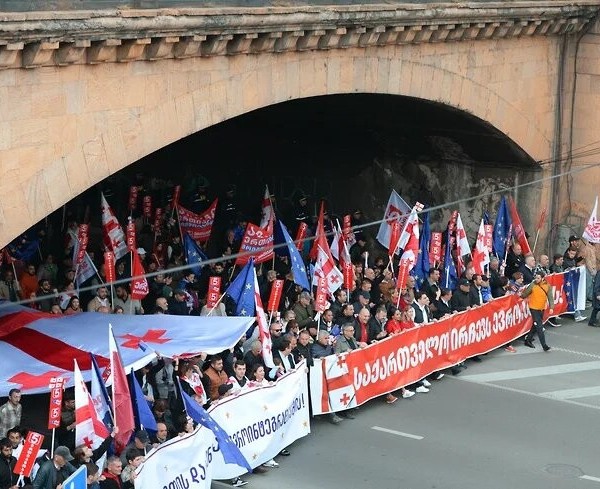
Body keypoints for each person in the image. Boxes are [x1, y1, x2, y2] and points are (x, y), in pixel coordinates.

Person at [521, 271, 553, 351]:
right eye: (536, 278)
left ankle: (528, 339)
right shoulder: (532, 285)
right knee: (539, 326)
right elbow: (525, 294)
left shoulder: (547, 286)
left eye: (538, 278)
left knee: (535, 324)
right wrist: (521, 295)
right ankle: (544, 345)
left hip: (541, 308)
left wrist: (551, 307)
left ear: (542, 278)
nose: (536, 279)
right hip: (533, 308)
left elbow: (550, 297)